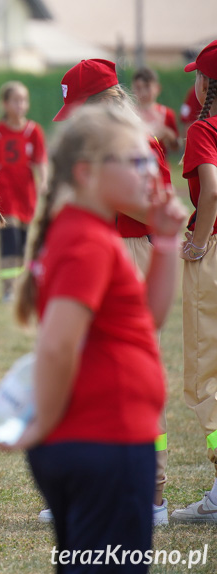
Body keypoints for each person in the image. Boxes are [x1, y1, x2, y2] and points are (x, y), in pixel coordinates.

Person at [9, 105, 184, 571]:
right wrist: (43, 424)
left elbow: (144, 322)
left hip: (108, 439)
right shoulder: (86, 241)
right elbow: (58, 344)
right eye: (135, 160)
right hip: (104, 441)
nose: (151, 169)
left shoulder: (89, 234)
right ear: (86, 173)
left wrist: (164, 245)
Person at [45, 58, 175, 525]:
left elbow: (155, 208)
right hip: (100, 250)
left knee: (132, 373)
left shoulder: (138, 144)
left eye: (80, 110)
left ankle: (151, 495)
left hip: (132, 251)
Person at [173, 39, 217, 523]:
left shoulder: (205, 127)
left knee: (207, 373)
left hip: (215, 252)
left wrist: (201, 242)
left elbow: (212, 190)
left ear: (206, 84)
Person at [0, 81, 47, 302]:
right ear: (5, 104)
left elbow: (41, 162)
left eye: (24, 100)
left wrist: (45, 181)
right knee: (10, 243)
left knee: (27, 243)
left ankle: (26, 289)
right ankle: (9, 289)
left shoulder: (33, 131)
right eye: (16, 100)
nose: (21, 105)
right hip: (5, 196)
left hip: (27, 196)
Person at [132, 67, 181, 156]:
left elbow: (176, 147)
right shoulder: (130, 113)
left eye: (147, 87)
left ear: (157, 88)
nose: (143, 92)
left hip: (161, 166)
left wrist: (169, 135)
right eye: (138, 87)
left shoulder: (166, 113)